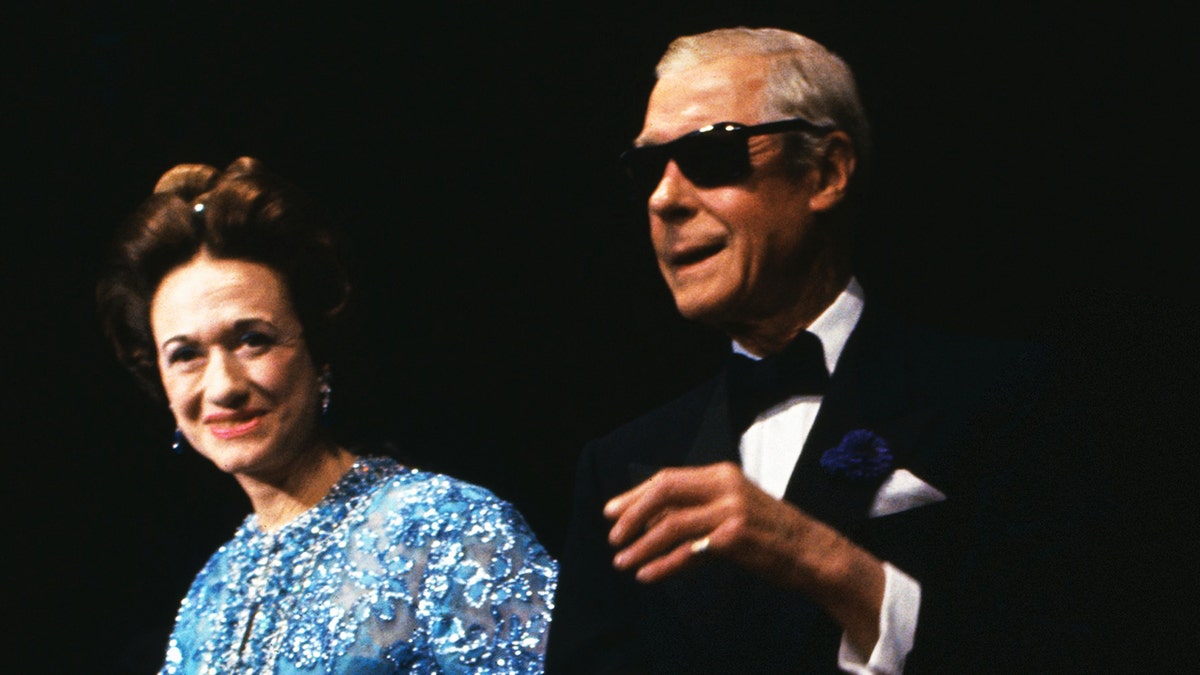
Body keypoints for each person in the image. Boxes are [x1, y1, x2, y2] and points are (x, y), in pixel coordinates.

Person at [546, 27, 1109, 674]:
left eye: (712, 155)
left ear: (825, 171)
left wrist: (821, 559)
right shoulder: (620, 469)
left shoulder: (1008, 399)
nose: (664, 198)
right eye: (649, 167)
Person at [96, 157, 557, 674]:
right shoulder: (211, 594)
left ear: (316, 350)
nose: (222, 386)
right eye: (186, 355)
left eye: (253, 340)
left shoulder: (446, 529)